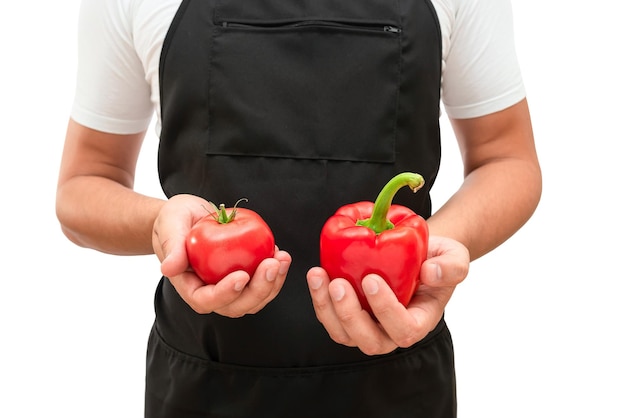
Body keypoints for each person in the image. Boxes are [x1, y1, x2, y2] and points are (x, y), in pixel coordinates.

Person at [56, 0, 542, 416]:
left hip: (400, 386)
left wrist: (426, 258)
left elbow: (508, 158)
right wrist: (160, 226)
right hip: (201, 389)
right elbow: (83, 185)